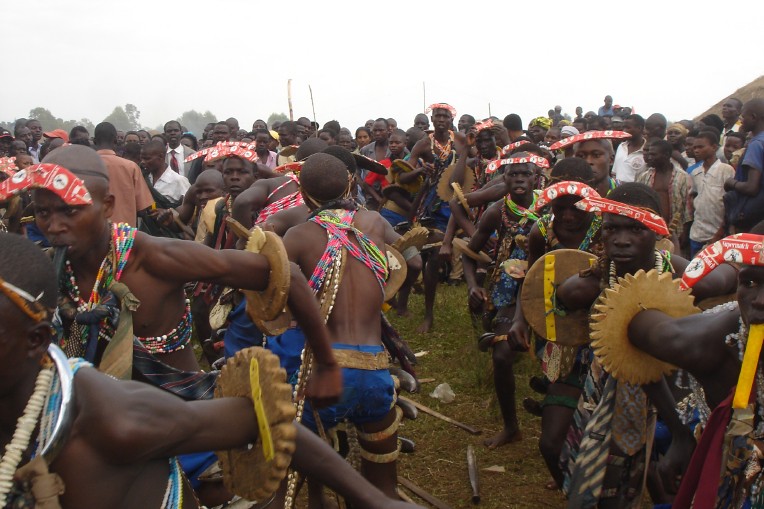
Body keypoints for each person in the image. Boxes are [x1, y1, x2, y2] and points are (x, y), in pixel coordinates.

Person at [0, 232, 421, 509]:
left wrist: (328, 362)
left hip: (191, 402)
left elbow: (269, 423)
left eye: (68, 210)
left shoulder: (113, 417)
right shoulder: (67, 274)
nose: (55, 224)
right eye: (44, 211)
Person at [554, 183, 735, 508]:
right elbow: (562, 298)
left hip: (675, 400)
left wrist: (741, 266)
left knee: (676, 482)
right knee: (610, 485)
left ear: (656, 231)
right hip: (610, 394)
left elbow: (721, 278)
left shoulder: (675, 270)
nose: (622, 240)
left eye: (636, 229)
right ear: (602, 232)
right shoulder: (593, 280)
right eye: (613, 229)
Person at [282, 153, 404, 499]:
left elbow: (275, 300)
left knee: (283, 487)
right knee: (382, 493)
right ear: (352, 183)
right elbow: (405, 259)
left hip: (327, 373)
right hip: (377, 372)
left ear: (303, 194)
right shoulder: (375, 223)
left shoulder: (297, 236)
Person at [625, 232, 764, 508]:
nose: (759, 300)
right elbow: (634, 323)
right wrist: (681, 435)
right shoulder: (717, 339)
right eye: (748, 282)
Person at [459, 155, 542, 450]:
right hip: (508, 289)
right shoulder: (496, 212)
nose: (519, 179)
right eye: (513, 175)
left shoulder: (550, 207)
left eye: (525, 174)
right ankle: (511, 427)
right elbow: (469, 254)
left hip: (548, 285)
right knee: (502, 355)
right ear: (503, 181)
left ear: (536, 179)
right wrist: (472, 286)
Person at [407, 103, 466, 333]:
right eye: (437, 115)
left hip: (459, 199)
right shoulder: (423, 143)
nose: (441, 119)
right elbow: (405, 171)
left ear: (451, 119)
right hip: (433, 204)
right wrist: (421, 171)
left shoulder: (460, 140)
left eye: (445, 115)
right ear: (431, 119)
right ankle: (428, 314)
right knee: (430, 254)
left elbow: (472, 162)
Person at [93, 121, 154, 227]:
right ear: (116, 140)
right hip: (124, 235)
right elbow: (144, 206)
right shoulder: (131, 167)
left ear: (94, 141)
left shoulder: (83, 166)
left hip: (91, 232)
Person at [637, 139, 693, 250]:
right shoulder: (644, 176)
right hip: (650, 230)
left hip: (674, 231)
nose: (649, 157)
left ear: (666, 154)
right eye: (649, 153)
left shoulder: (682, 177)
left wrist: (685, 233)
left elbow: (687, 208)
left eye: (653, 154)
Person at [688, 130, 735, 256]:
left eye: (701, 147)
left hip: (717, 233)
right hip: (697, 233)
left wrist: (720, 233)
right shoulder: (695, 172)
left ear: (714, 147)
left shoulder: (725, 170)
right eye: (695, 147)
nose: (696, 150)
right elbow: (693, 196)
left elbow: (730, 203)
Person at [724, 98, 764, 233]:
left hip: (753, 218)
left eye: (742, 117)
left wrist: (731, 183)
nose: (740, 121)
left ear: (753, 117)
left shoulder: (756, 144)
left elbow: (751, 187)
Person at [612, 114, 646, 183]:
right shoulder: (621, 147)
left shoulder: (647, 151)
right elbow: (614, 173)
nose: (624, 131)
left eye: (628, 128)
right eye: (623, 128)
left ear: (639, 128)